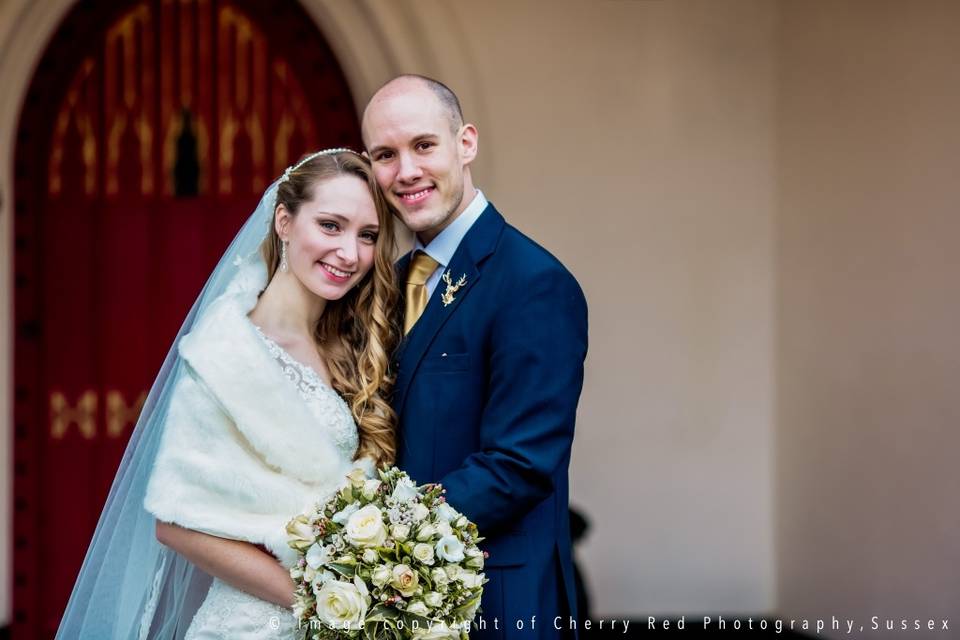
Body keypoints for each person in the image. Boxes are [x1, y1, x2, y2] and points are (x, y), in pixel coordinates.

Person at [55, 149, 400, 639]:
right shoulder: (226, 355)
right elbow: (175, 524)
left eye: (367, 235)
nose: (350, 253)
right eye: (330, 225)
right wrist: (326, 599)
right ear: (284, 221)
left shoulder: (351, 348)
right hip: (254, 622)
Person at [362, 75, 589, 639]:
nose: (405, 171)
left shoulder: (532, 282)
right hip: (398, 603)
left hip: (496, 604)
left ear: (465, 144)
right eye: (385, 155)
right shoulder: (386, 285)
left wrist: (369, 537)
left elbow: (519, 465)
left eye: (423, 145)